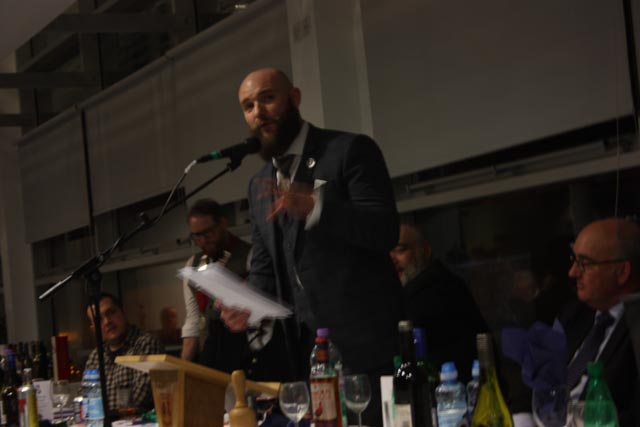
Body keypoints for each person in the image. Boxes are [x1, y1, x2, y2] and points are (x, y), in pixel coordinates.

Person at [218, 68, 403, 425]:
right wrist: (246, 305)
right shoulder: (258, 184)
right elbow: (265, 268)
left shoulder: (349, 150)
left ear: (295, 98)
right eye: (248, 106)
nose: (258, 112)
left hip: (365, 350)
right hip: (306, 359)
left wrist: (317, 207)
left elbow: (384, 231)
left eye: (268, 98)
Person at [181, 198, 289, 380]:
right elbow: (193, 320)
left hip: (244, 342)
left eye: (208, 233)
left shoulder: (251, 255)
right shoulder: (193, 264)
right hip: (214, 343)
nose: (203, 241)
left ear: (223, 224)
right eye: (197, 236)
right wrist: (182, 368)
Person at [560, 218, 640, 426]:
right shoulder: (575, 314)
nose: (573, 272)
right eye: (573, 260)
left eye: (584, 263)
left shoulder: (635, 327)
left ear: (621, 272)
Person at [390, 222, 488, 382]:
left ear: (425, 250)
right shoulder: (430, 285)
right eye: (386, 253)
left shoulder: (437, 289)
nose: (392, 259)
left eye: (400, 250)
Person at [85, 293, 164, 415]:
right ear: (93, 329)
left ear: (123, 312)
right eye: (99, 320)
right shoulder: (95, 356)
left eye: (111, 313)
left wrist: (100, 412)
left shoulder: (145, 344)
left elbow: (140, 400)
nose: (107, 322)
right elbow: (86, 403)